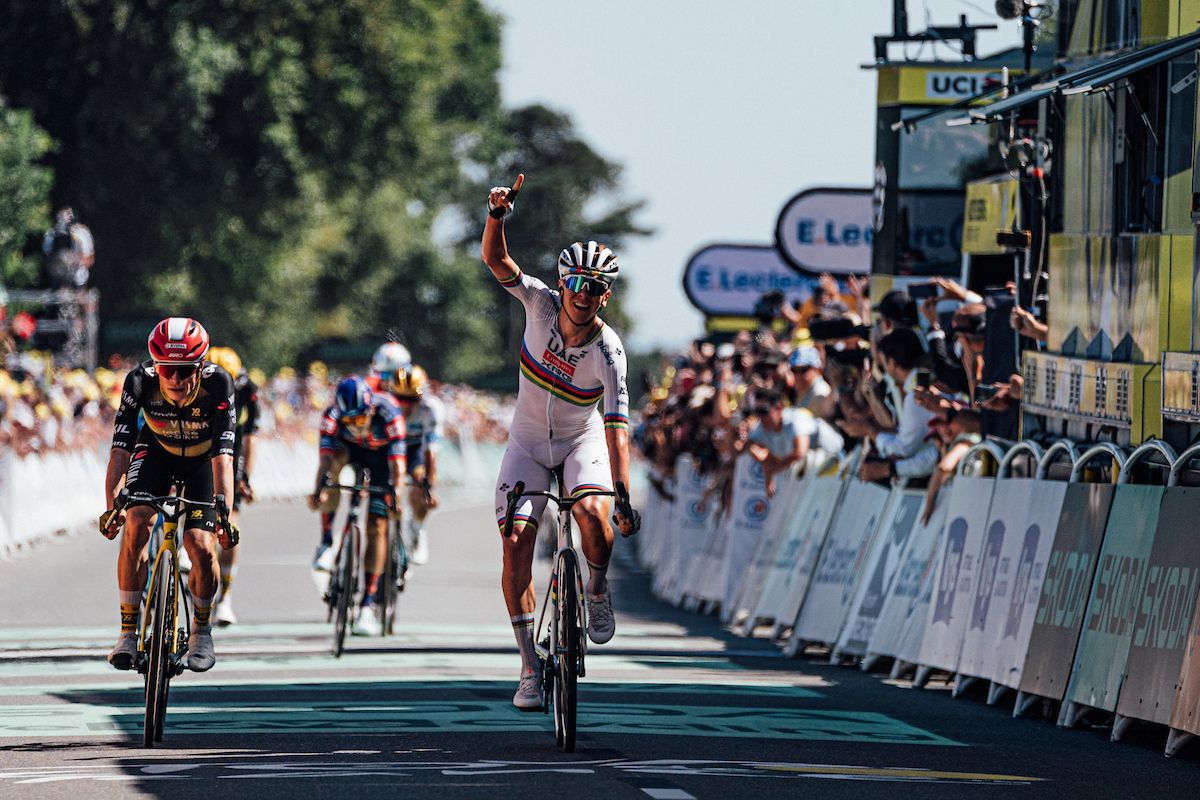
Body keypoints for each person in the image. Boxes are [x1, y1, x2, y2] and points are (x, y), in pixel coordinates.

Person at [482, 174, 641, 710]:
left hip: (580, 441)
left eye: (595, 288)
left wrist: (622, 494)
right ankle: (528, 666)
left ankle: (595, 588)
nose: (583, 295)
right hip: (526, 445)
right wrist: (497, 215)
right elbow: (497, 262)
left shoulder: (610, 351)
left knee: (594, 514)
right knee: (516, 542)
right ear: (563, 282)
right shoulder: (539, 305)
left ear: (605, 294)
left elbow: (618, 429)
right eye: (577, 284)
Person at [98, 318, 238, 672]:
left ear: (201, 365)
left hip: (203, 460)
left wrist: (225, 513)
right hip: (156, 452)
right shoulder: (138, 381)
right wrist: (111, 505)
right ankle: (128, 632)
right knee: (136, 519)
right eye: (166, 369)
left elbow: (224, 454)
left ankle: (202, 631)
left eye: (184, 369)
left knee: (201, 545)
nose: (175, 379)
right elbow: (120, 449)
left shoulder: (219, 383)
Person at [309, 376, 406, 635]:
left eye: (360, 419)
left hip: (382, 461)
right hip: (351, 454)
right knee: (334, 467)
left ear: (370, 409)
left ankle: (368, 603)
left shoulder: (389, 413)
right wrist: (318, 490)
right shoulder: (331, 416)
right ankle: (328, 541)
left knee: (377, 524)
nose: (356, 425)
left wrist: (395, 496)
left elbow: (398, 466)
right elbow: (324, 461)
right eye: (349, 421)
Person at [205, 346, 260, 626]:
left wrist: (245, 478)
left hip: (231, 445)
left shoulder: (248, 389)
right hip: (199, 439)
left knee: (230, 521)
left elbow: (251, 439)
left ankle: (225, 597)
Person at [386, 364, 445, 566]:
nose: (405, 405)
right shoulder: (384, 405)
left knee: (423, 482)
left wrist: (428, 486)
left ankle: (417, 528)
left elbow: (431, 452)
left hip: (416, 451)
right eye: (400, 399)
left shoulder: (432, 409)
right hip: (390, 448)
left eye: (411, 400)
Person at [41, 207, 95, 290]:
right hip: (57, 273)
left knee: (79, 278)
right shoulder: (51, 235)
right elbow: (47, 256)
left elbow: (89, 259)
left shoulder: (81, 234)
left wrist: (75, 261)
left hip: (77, 274)